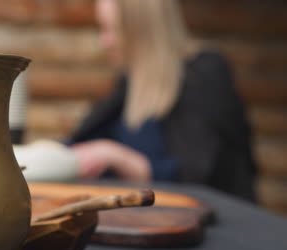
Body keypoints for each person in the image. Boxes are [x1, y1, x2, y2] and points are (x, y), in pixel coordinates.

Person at [69, 0, 257, 201]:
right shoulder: (131, 83)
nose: (104, 41)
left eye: (112, 29)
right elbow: (85, 142)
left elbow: (199, 176)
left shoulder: (203, 75)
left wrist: (118, 158)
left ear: (140, 29)